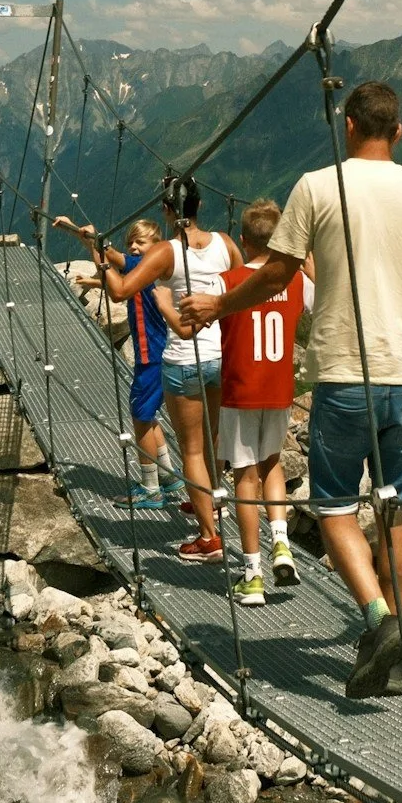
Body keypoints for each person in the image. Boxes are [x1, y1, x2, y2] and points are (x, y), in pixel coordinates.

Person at [180, 80, 402, 696]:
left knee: (335, 508)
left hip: (345, 377)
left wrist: (217, 305)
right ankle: (395, 628)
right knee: (397, 506)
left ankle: (378, 620)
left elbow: (274, 275)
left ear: (348, 125)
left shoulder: (317, 187)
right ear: (397, 131)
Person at [96, 180, 241, 560]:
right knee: (212, 441)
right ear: (199, 204)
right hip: (220, 356)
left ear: (166, 210)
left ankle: (209, 537)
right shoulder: (225, 243)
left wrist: (99, 260)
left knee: (191, 450)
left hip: (184, 359)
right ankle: (212, 504)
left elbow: (121, 290)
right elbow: (243, 285)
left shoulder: (165, 251)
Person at [53, 214, 188, 511]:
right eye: (132, 242)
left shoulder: (145, 270)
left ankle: (151, 488)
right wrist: (83, 234)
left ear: (157, 246)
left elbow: (116, 289)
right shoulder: (148, 266)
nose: (135, 248)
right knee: (148, 414)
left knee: (140, 416)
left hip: (150, 353)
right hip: (155, 352)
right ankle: (167, 476)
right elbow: (115, 257)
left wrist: (92, 245)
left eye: (141, 243)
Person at [218, 198, 312, 603]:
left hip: (239, 391)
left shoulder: (227, 280)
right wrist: (303, 258)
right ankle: (282, 543)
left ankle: (252, 573)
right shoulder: (294, 280)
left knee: (244, 475)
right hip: (278, 391)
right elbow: (320, 298)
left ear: (243, 240)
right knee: (272, 462)